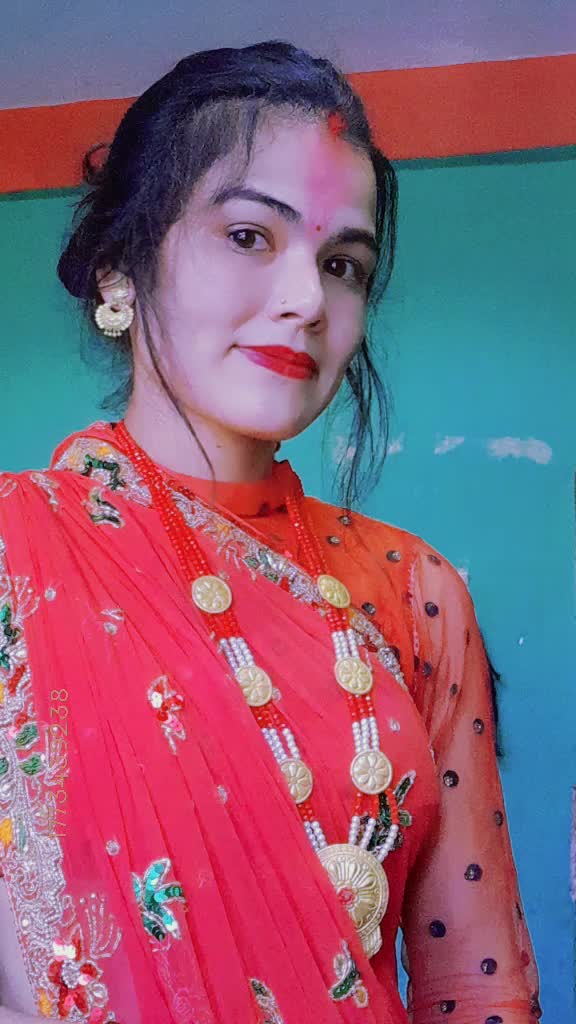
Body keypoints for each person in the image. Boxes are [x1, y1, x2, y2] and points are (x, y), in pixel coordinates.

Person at [0, 40, 540, 1024]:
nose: (306, 300)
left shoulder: (413, 590)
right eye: (250, 235)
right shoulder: (16, 553)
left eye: (343, 264)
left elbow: (477, 983)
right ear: (122, 268)